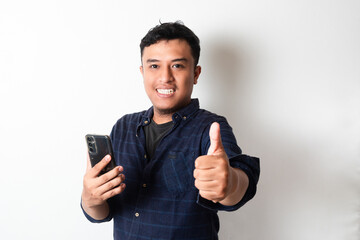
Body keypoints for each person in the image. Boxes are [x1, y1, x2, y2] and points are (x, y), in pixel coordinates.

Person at [81, 21, 260, 239]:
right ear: (143, 72)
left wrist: (230, 182)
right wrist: (90, 198)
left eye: (177, 65)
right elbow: (103, 212)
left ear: (195, 73)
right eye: (154, 66)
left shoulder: (211, 128)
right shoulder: (123, 127)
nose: (165, 77)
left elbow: (239, 185)